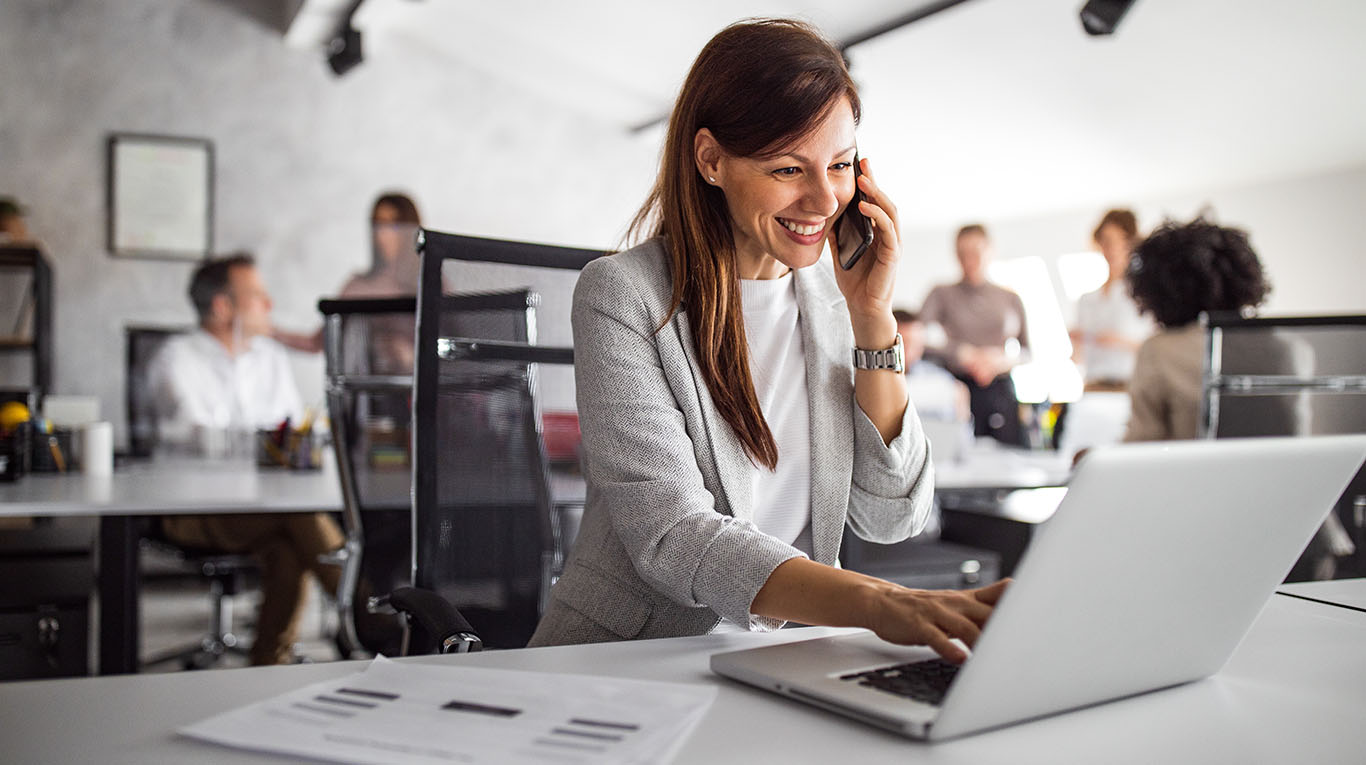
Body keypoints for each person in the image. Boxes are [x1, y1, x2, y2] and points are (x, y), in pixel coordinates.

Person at [528, 19, 1007, 663]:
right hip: (633, 660)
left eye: (840, 166)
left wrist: (872, 318)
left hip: (789, 658)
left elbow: (894, 518)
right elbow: (673, 536)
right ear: (711, 160)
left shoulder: (836, 302)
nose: (823, 199)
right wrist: (878, 602)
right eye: (788, 168)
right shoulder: (622, 295)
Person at [147, 253, 346, 665]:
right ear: (223, 307)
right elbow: (198, 436)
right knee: (302, 518)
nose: (269, 305)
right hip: (195, 509)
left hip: (263, 505)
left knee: (289, 548)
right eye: (257, 296)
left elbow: (290, 432)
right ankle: (368, 615)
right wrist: (272, 441)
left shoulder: (269, 358)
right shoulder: (176, 358)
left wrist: (285, 440)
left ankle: (268, 663)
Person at [1122, 218, 1270, 442]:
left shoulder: (1160, 351)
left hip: (1196, 475)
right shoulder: (1290, 348)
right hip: (1280, 476)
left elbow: (1141, 446)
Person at [272, 192, 424, 365]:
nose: (382, 235)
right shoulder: (359, 287)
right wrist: (268, 331)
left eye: (393, 226)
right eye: (377, 225)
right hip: (366, 389)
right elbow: (316, 342)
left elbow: (451, 348)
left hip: (418, 389)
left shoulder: (431, 284)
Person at [919, 224, 1030, 446]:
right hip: (959, 388)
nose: (969, 260)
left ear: (990, 251)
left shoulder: (1010, 298)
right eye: (962, 254)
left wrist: (1000, 361)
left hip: (1000, 389)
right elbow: (917, 339)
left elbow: (1027, 352)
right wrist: (960, 352)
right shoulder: (942, 293)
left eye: (975, 253)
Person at [1070, 209, 1152, 389]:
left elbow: (1156, 348)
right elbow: (1077, 357)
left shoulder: (1143, 296)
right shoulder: (1087, 300)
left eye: (1118, 242)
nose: (1111, 249)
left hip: (1131, 385)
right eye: (1105, 241)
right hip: (1093, 385)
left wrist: (1118, 341)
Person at [894, 309, 969, 424]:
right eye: (904, 344)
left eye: (917, 344)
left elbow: (960, 426)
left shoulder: (937, 377)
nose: (910, 352)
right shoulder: (867, 379)